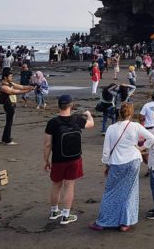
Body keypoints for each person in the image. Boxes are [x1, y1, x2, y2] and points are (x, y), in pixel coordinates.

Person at [90, 103, 154, 232]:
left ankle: (103, 221)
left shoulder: (111, 128)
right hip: (133, 160)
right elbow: (151, 138)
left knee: (110, 191)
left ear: (119, 113)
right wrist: (140, 148)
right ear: (130, 114)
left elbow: (106, 150)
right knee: (129, 191)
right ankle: (125, 223)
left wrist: (106, 164)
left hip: (116, 162)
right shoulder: (135, 126)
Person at [43, 95, 95, 225]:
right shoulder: (77, 119)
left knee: (56, 185)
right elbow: (91, 124)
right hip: (74, 158)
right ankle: (66, 215)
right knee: (70, 186)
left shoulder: (53, 122)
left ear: (59, 106)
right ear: (71, 105)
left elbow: (47, 144)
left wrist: (46, 160)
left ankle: (55, 211)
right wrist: (88, 114)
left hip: (58, 159)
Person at [0, 68, 33, 145]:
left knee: (8, 122)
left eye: (11, 76)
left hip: (12, 104)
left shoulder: (10, 83)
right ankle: (7, 140)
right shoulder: (4, 87)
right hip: (8, 105)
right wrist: (29, 90)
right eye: (10, 76)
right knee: (9, 123)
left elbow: (21, 87)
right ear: (5, 77)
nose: (11, 78)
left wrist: (30, 87)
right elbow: (16, 92)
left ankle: (4, 138)